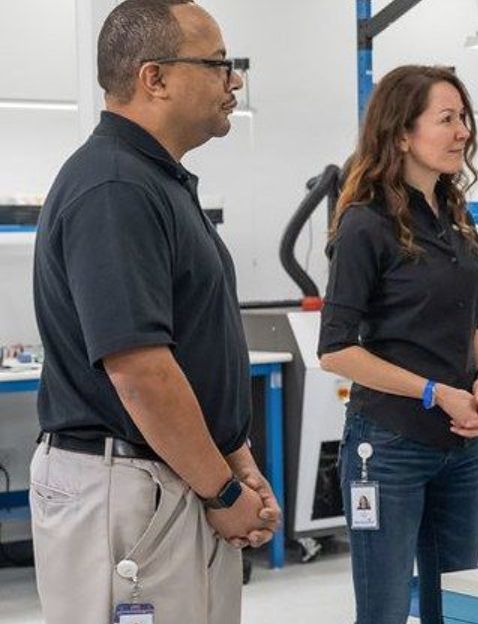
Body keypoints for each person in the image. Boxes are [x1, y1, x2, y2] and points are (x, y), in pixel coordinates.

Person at [29, 1, 279, 622]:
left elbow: (194, 345)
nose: (234, 80)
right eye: (217, 64)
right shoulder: (114, 187)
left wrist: (237, 465)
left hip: (176, 477)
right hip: (130, 489)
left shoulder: (156, 180)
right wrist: (222, 490)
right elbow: (140, 370)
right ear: (154, 77)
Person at [318, 65, 478, 624]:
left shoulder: (456, 216)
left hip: (459, 447)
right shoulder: (364, 224)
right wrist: (435, 392)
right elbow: (335, 350)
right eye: (446, 119)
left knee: (459, 609)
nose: (462, 131)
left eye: (463, 118)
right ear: (401, 133)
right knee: (386, 612)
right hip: (388, 447)